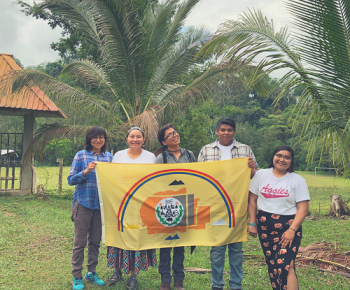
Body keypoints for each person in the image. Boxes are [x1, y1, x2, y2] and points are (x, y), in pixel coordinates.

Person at [197, 117, 258, 290]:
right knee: (217, 249)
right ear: (216, 131)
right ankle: (217, 284)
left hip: (238, 205)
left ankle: (236, 285)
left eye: (229, 130)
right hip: (215, 206)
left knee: (236, 249)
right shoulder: (206, 150)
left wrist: (253, 168)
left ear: (234, 132)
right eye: (222, 130)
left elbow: (256, 176)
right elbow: (199, 177)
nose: (226, 133)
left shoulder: (245, 149)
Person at [248, 145, 310, 290]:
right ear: (273, 157)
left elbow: (303, 209)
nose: (282, 159)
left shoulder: (297, 180)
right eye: (279, 155)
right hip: (264, 226)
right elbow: (252, 201)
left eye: (287, 157)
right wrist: (252, 223)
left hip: (288, 227)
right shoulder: (261, 175)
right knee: (273, 266)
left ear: (291, 161)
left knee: (286, 266)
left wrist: (292, 230)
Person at [107, 126, 157, 290]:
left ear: (144, 139)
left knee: (137, 237)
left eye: (138, 137)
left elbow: (155, 180)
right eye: (132, 136)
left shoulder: (150, 157)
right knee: (119, 235)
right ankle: (117, 270)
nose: (135, 139)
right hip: (120, 204)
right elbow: (111, 177)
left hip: (142, 205)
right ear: (127, 139)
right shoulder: (118, 155)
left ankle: (133, 275)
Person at [68, 126, 113, 290]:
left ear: (105, 140)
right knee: (80, 243)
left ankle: (91, 272)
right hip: (83, 204)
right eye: (95, 137)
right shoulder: (81, 155)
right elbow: (71, 180)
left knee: (95, 241)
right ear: (89, 139)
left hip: (101, 206)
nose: (98, 140)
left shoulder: (109, 157)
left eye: (101, 137)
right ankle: (77, 276)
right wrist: (86, 171)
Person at [155, 124, 196, 290]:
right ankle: (165, 281)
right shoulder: (161, 158)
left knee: (180, 244)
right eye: (170, 135)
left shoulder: (190, 154)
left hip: (186, 202)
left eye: (175, 132)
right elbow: (155, 182)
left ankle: (179, 280)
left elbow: (197, 177)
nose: (174, 135)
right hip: (167, 204)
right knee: (165, 245)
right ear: (164, 142)